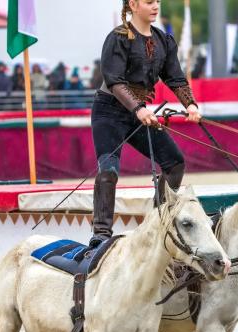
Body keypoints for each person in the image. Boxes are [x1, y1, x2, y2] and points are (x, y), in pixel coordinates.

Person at [89, 0, 201, 247]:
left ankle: (158, 220)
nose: (156, 6)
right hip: (108, 112)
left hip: (139, 115)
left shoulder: (163, 40)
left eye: (158, 1)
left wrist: (190, 104)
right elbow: (114, 80)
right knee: (108, 170)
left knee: (175, 163)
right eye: (150, 2)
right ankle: (101, 233)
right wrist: (138, 108)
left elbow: (175, 77)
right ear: (133, 4)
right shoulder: (118, 37)